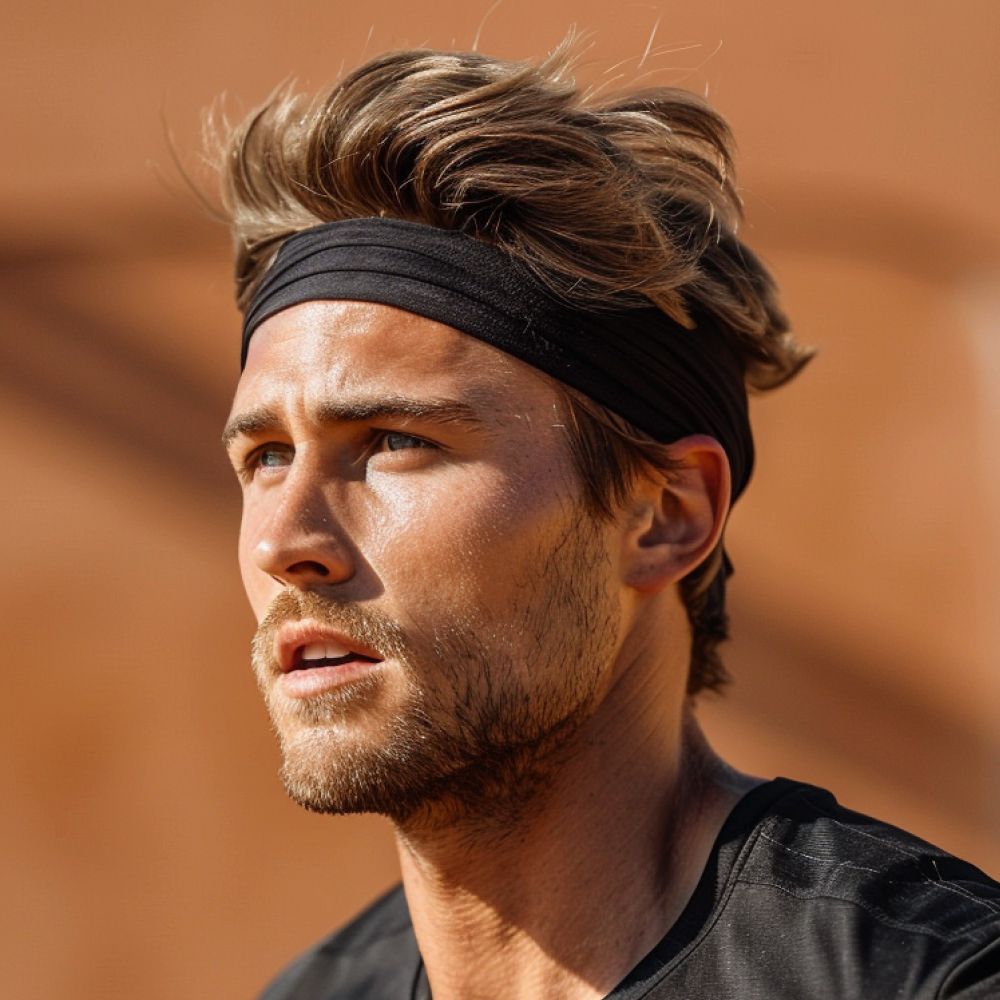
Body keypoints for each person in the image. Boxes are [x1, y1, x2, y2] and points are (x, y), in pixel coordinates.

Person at [216, 41, 1000, 999]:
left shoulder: (926, 977)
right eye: (266, 458)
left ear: (666, 515)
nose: (283, 542)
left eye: (392, 442)